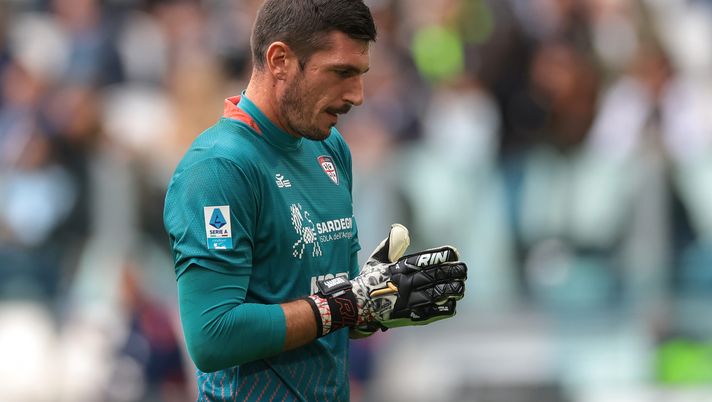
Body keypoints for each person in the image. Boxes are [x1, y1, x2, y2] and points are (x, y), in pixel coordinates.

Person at [163, 0, 468, 400]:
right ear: (280, 60)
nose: (357, 96)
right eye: (341, 72)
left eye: (361, 74)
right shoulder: (220, 169)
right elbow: (212, 335)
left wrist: (374, 298)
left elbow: (336, 308)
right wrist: (344, 305)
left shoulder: (329, 149)